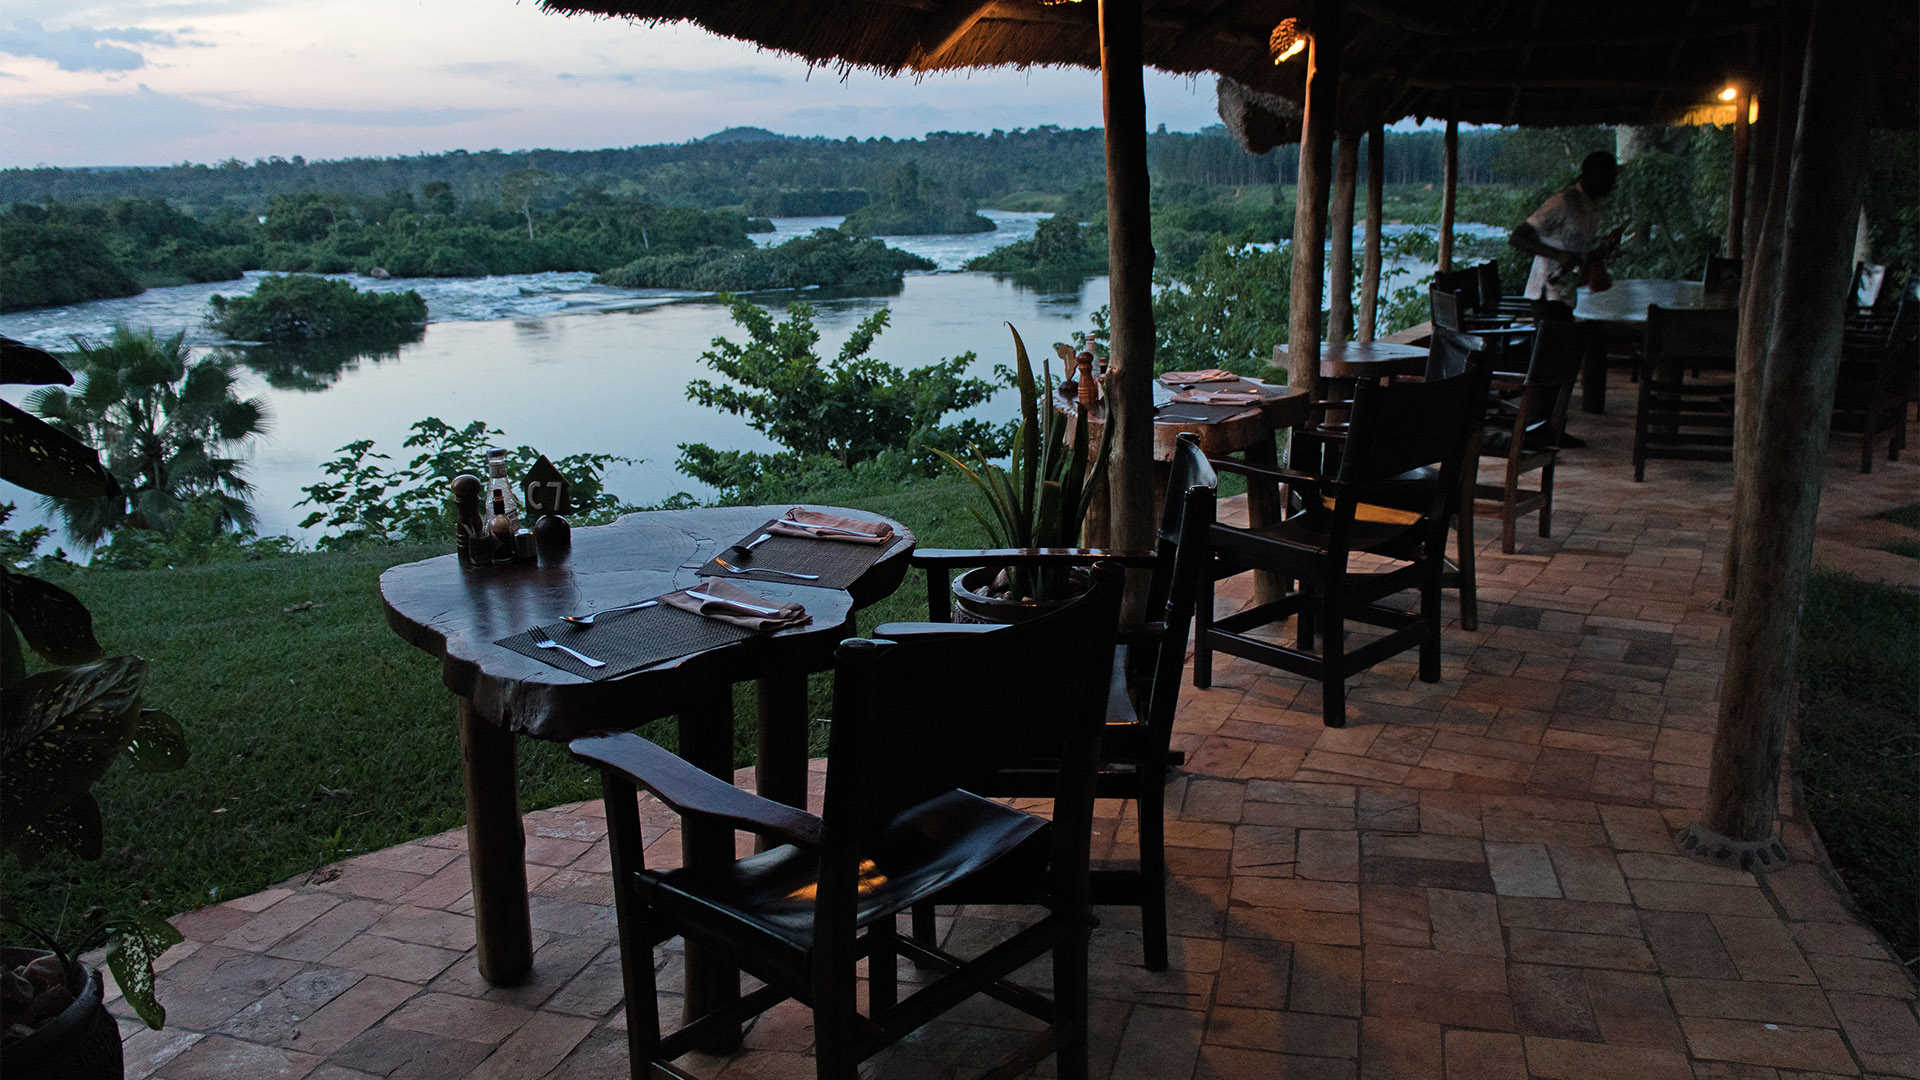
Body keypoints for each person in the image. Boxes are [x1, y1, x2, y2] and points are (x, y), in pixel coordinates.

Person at [1510, 151, 1621, 303]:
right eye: (1608, 178)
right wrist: (1558, 255)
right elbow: (1516, 238)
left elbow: (1580, 251)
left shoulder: (1593, 207)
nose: (1612, 184)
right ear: (1592, 175)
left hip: (1573, 293)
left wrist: (1605, 247)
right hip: (1548, 293)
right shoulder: (1561, 202)